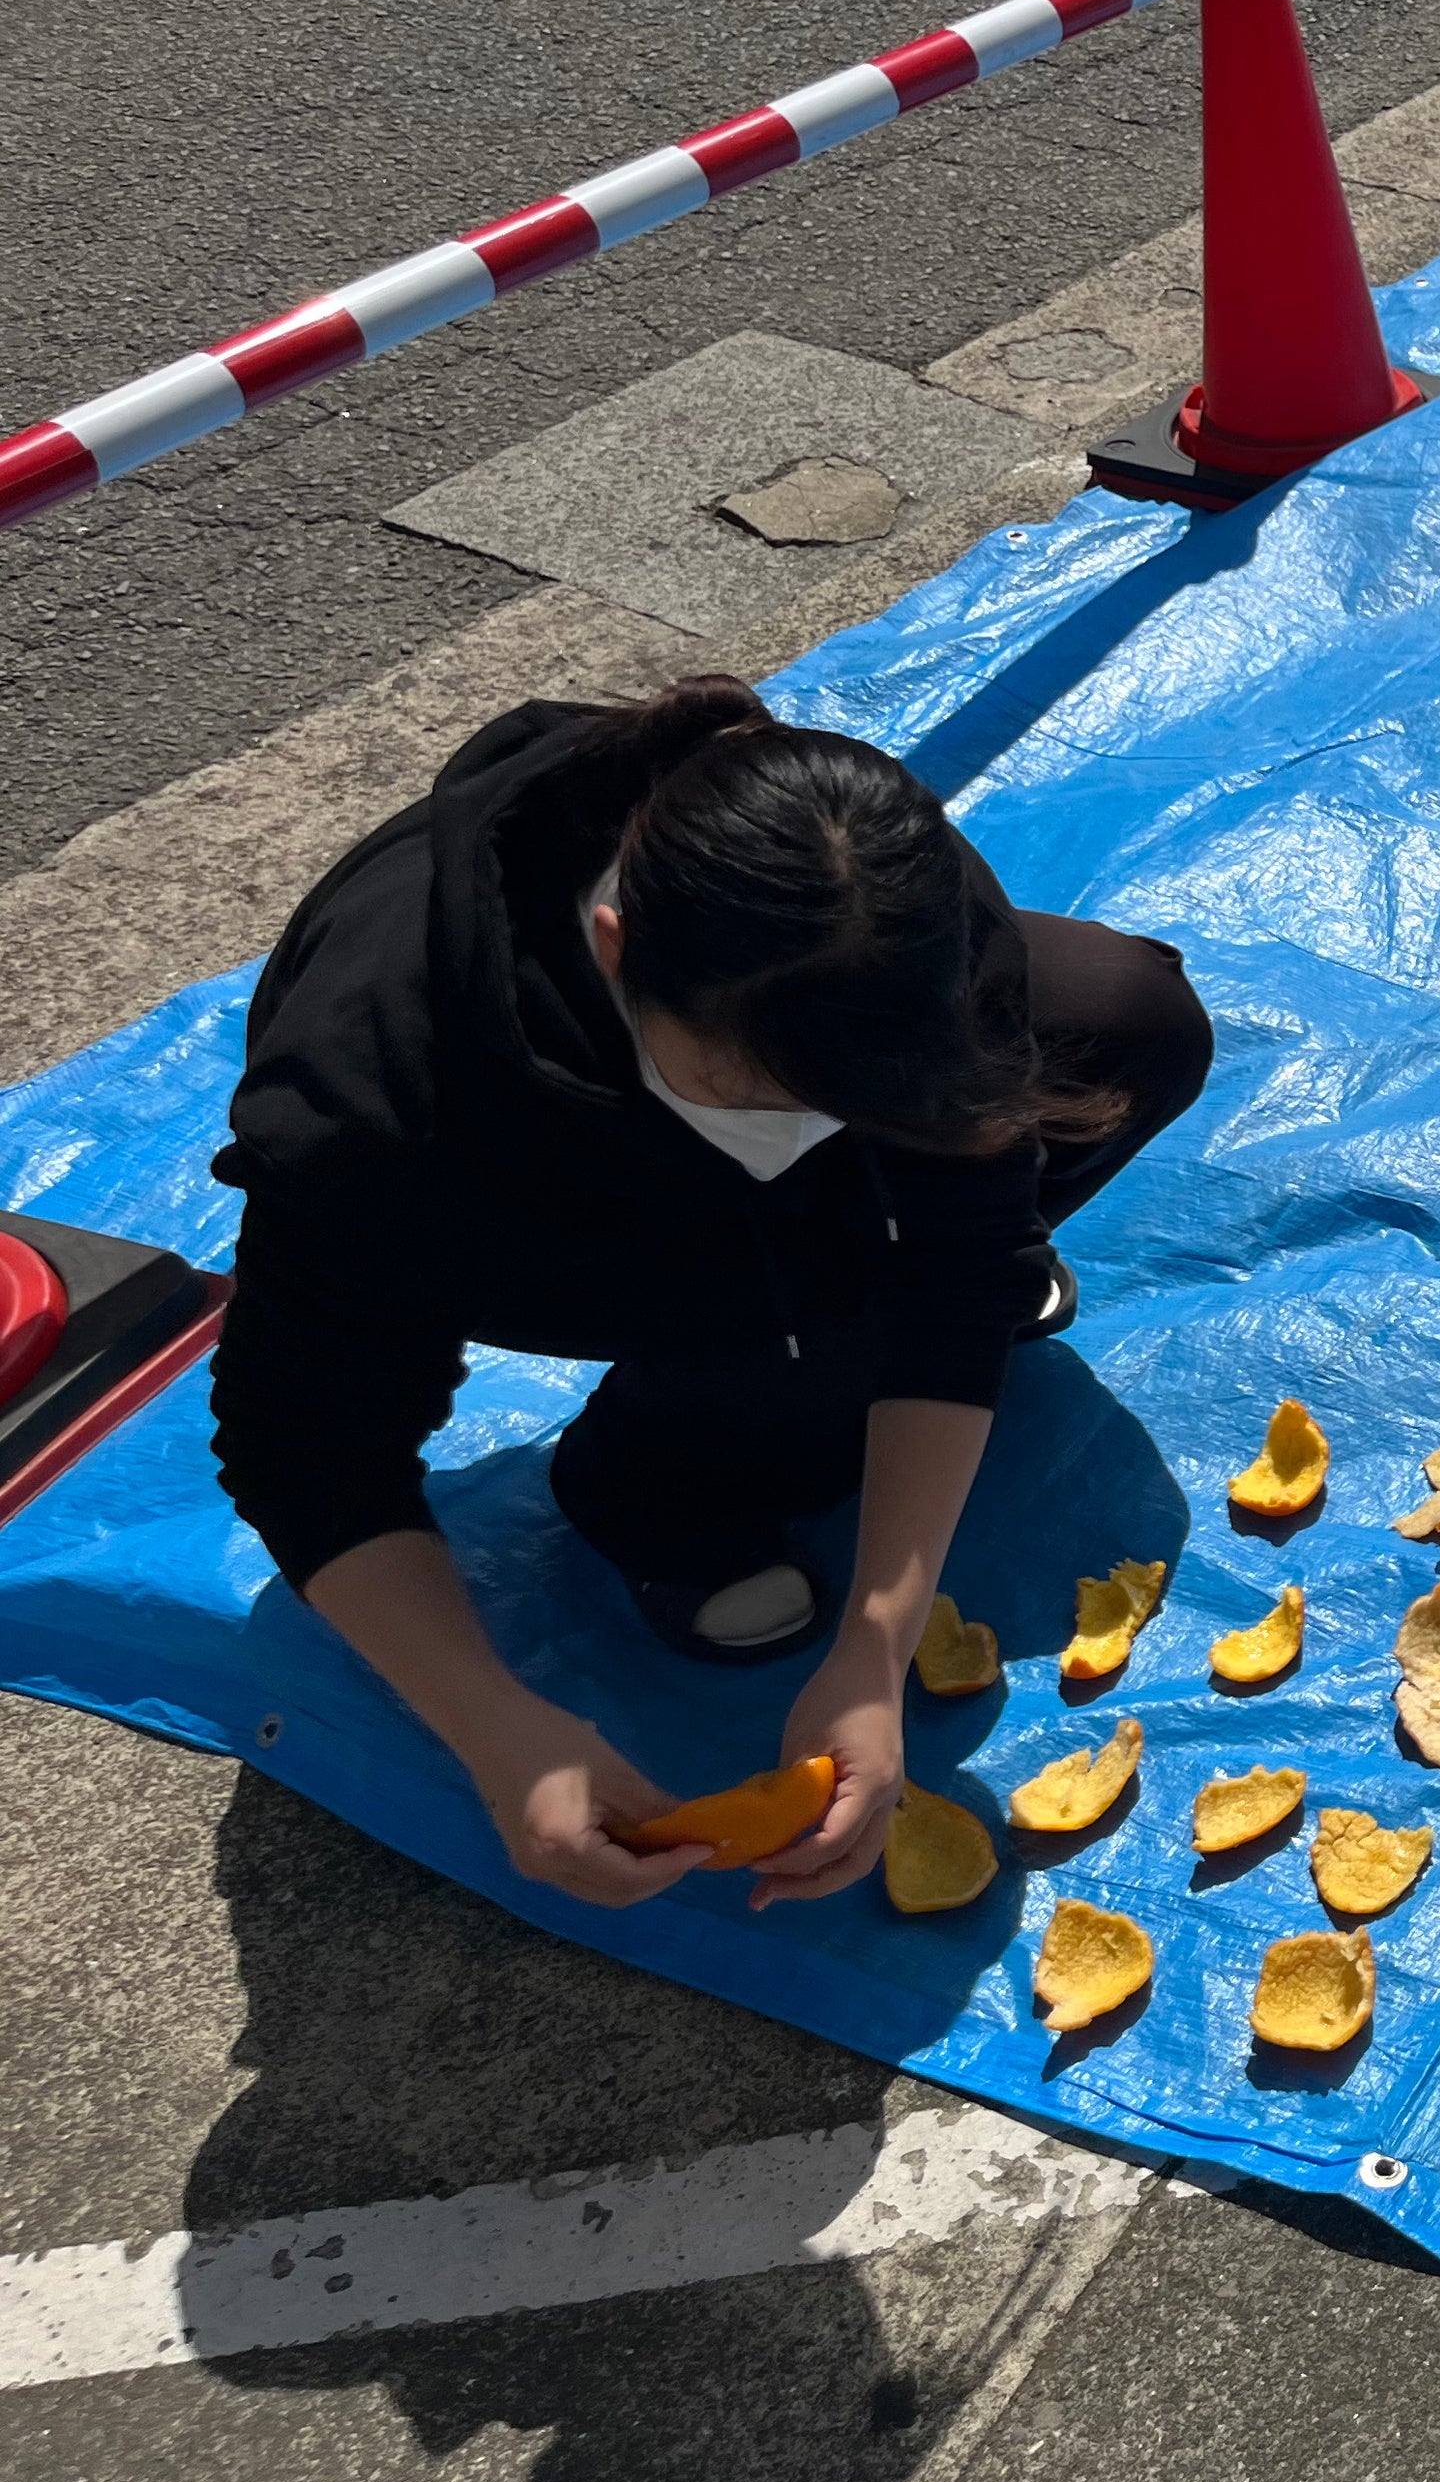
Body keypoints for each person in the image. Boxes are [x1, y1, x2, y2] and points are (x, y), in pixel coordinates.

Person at [207, 677, 1213, 1911]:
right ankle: (655, 1482)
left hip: (754, 1095)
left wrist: (876, 1639)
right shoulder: (378, 1095)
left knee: (1122, 1024)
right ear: (616, 942)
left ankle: (805, 1330)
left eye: (859, 1102)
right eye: (761, 1098)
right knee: (814, 1300)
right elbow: (301, 1444)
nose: (805, 1137)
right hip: (544, 1192)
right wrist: (498, 1730)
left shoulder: (898, 910)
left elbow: (962, 1265)